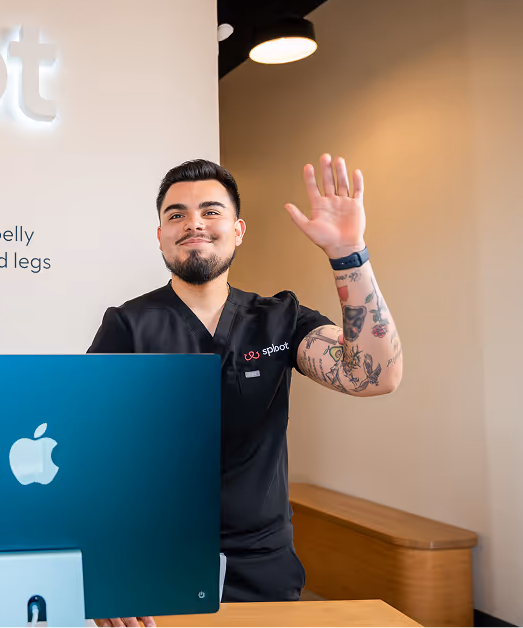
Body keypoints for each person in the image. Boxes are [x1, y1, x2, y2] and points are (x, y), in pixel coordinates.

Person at [89, 155, 403, 628]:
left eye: (210, 211)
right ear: (160, 237)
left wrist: (349, 255)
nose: (193, 223)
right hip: (153, 564)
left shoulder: (281, 319)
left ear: (237, 229)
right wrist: (105, 565)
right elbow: (87, 454)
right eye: (176, 214)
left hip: (262, 568)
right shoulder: (126, 325)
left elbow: (376, 374)